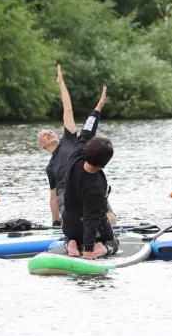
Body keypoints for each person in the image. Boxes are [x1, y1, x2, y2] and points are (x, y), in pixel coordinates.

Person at [37, 65, 117, 227]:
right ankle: (77, 231)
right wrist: (55, 222)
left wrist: (61, 83)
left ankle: (102, 233)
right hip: (66, 194)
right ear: (42, 145)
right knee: (74, 218)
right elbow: (53, 197)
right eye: (44, 134)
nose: (48, 133)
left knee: (112, 219)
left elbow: (67, 109)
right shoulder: (50, 167)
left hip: (88, 183)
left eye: (49, 131)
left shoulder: (70, 139)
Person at [61, 86, 117, 259]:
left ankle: (71, 243)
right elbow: (91, 219)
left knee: (70, 235)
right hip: (88, 226)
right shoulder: (97, 184)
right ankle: (102, 248)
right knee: (113, 242)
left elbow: (86, 131)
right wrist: (89, 251)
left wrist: (98, 108)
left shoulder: (76, 156)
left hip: (69, 224)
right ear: (104, 163)